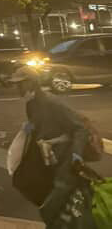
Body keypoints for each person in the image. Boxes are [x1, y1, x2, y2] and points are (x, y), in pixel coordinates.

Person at [9, 65, 97, 228]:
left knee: (56, 199)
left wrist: (76, 154)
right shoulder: (31, 103)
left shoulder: (51, 102)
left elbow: (79, 128)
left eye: (20, 83)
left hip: (66, 157)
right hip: (49, 158)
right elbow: (36, 126)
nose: (17, 87)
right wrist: (26, 133)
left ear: (31, 83)